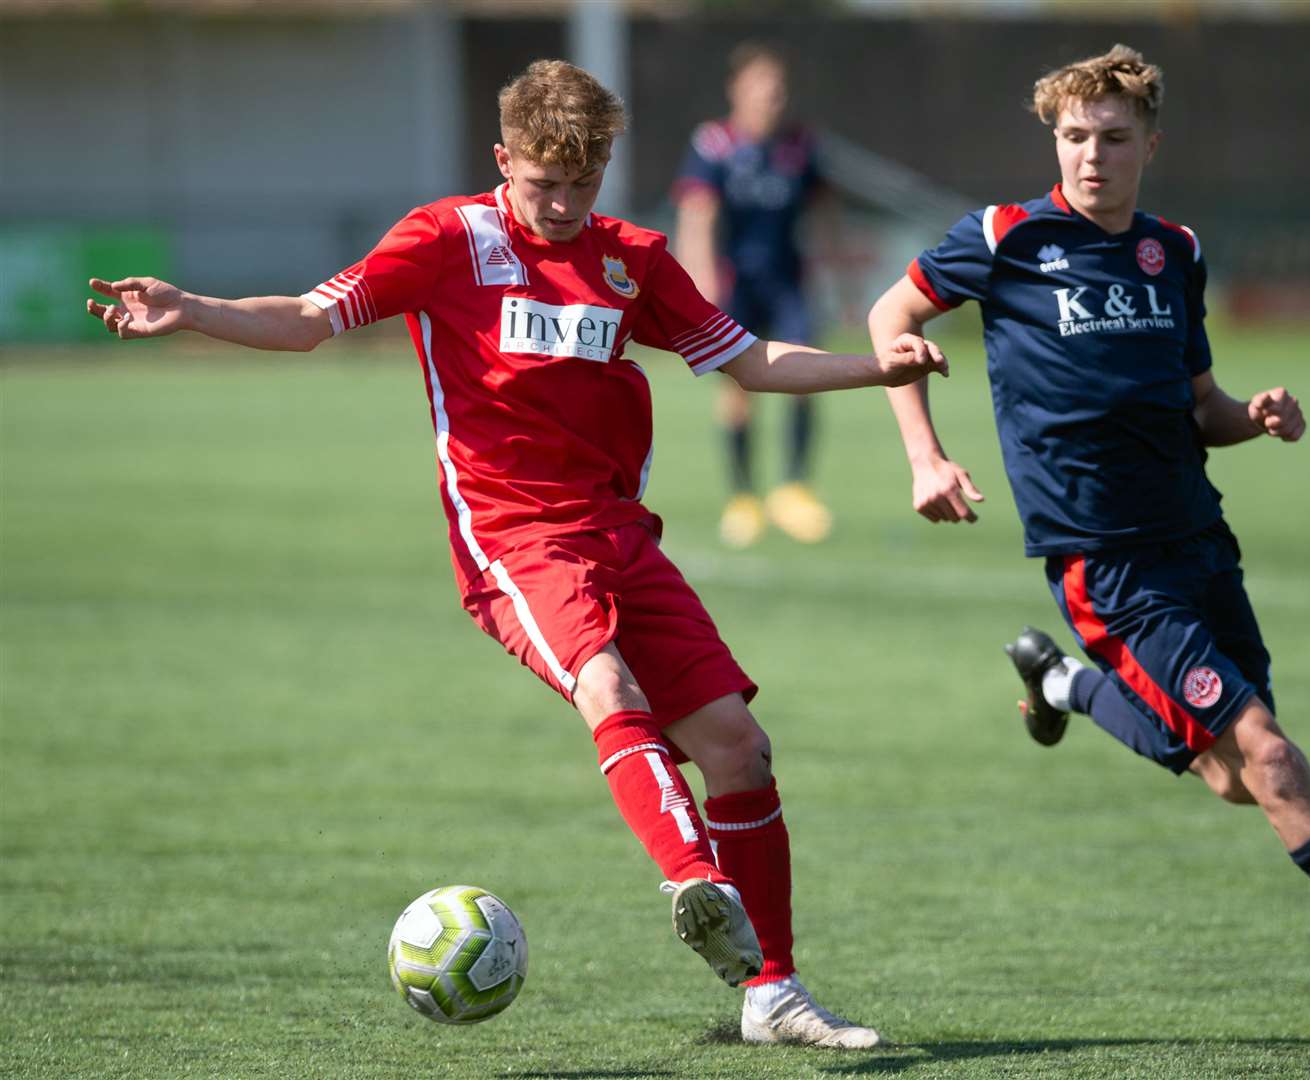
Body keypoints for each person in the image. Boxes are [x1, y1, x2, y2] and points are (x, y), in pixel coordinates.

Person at [86, 58, 949, 1049]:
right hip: (511, 538)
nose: (565, 204)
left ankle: (773, 995)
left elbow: (748, 358)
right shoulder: (444, 240)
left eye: (585, 184)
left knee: (736, 747)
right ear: (504, 160)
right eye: (545, 183)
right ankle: (693, 879)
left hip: (619, 531)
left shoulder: (630, 257)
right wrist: (194, 308)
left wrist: (871, 366)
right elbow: (313, 320)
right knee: (608, 687)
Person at [867, 44, 1310, 1031]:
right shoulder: (1004, 236)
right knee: (1270, 760)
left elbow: (1198, 406)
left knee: (1230, 779)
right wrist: (923, 455)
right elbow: (892, 312)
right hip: (1105, 560)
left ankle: (1063, 687)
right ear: (1054, 139)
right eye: (1073, 137)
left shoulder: (1172, 252)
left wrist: (1250, 416)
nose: (1091, 157)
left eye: (1112, 139)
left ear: (1149, 145)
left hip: (1197, 539)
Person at [673, 42, 836, 548]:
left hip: (788, 283)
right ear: (737, 91)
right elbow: (697, 215)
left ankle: (793, 490)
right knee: (738, 391)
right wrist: (698, 288)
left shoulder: (801, 146)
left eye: (779, 89)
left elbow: (826, 212)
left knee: (809, 375)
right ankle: (743, 498)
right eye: (763, 88)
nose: (773, 97)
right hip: (734, 285)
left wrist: (842, 278)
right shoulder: (714, 145)